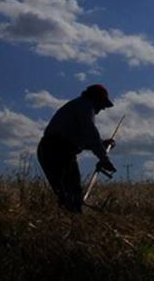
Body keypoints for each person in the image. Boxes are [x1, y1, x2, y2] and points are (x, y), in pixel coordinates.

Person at [37, 84, 117, 213]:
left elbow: (80, 138)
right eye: (102, 104)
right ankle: (73, 221)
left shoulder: (77, 106)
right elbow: (90, 134)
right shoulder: (85, 107)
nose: (102, 109)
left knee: (66, 193)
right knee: (71, 193)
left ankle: (68, 220)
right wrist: (104, 159)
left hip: (52, 149)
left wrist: (101, 144)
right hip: (57, 151)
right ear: (96, 99)